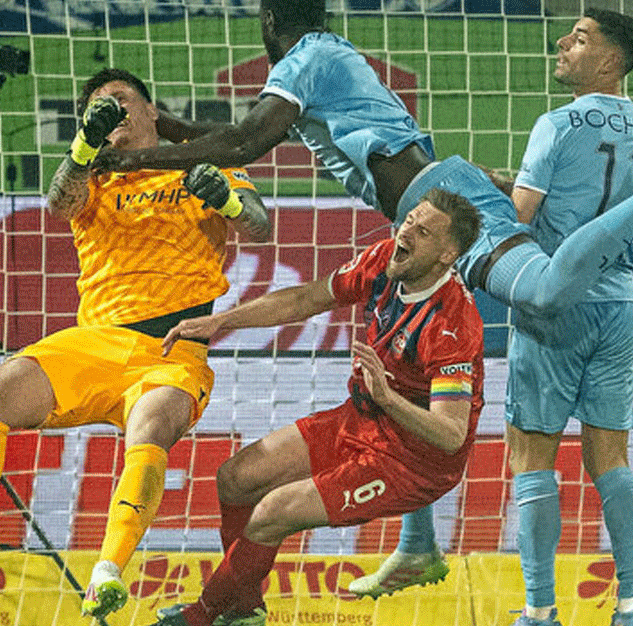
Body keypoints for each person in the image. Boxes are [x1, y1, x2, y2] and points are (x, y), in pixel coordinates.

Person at [92, 0, 633, 323]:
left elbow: (241, 143)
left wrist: (127, 158)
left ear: (271, 24)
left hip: (444, 204)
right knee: (405, 351)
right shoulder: (317, 67)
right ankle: (417, 546)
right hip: (427, 210)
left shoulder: (304, 60)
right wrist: (162, 127)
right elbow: (224, 137)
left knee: (547, 293)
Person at [0, 68, 271, 619]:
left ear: (151, 112)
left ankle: (108, 570)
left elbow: (258, 224)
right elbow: (58, 205)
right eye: (97, 107)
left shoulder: (202, 162)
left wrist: (230, 203)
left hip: (172, 346)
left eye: (120, 100)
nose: (111, 111)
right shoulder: (93, 175)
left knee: (154, 423)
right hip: (94, 341)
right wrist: (84, 143)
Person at [350, 10, 633, 626]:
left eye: (579, 38)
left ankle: (541, 610)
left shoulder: (557, 122)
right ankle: (632, 604)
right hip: (621, 299)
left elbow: (518, 217)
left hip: (556, 305)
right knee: (611, 458)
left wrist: (475, 198)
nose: (562, 45)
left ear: (610, 60)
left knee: (532, 457)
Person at [149, 188, 484, 626]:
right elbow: (306, 298)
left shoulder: (453, 324)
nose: (407, 234)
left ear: (447, 256)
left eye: (423, 232)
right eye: (409, 221)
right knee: (235, 478)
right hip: (362, 419)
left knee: (272, 513)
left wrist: (387, 397)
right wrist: (222, 321)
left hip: (414, 463)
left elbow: (450, 433)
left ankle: (204, 615)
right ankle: (243, 608)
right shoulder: (385, 260)